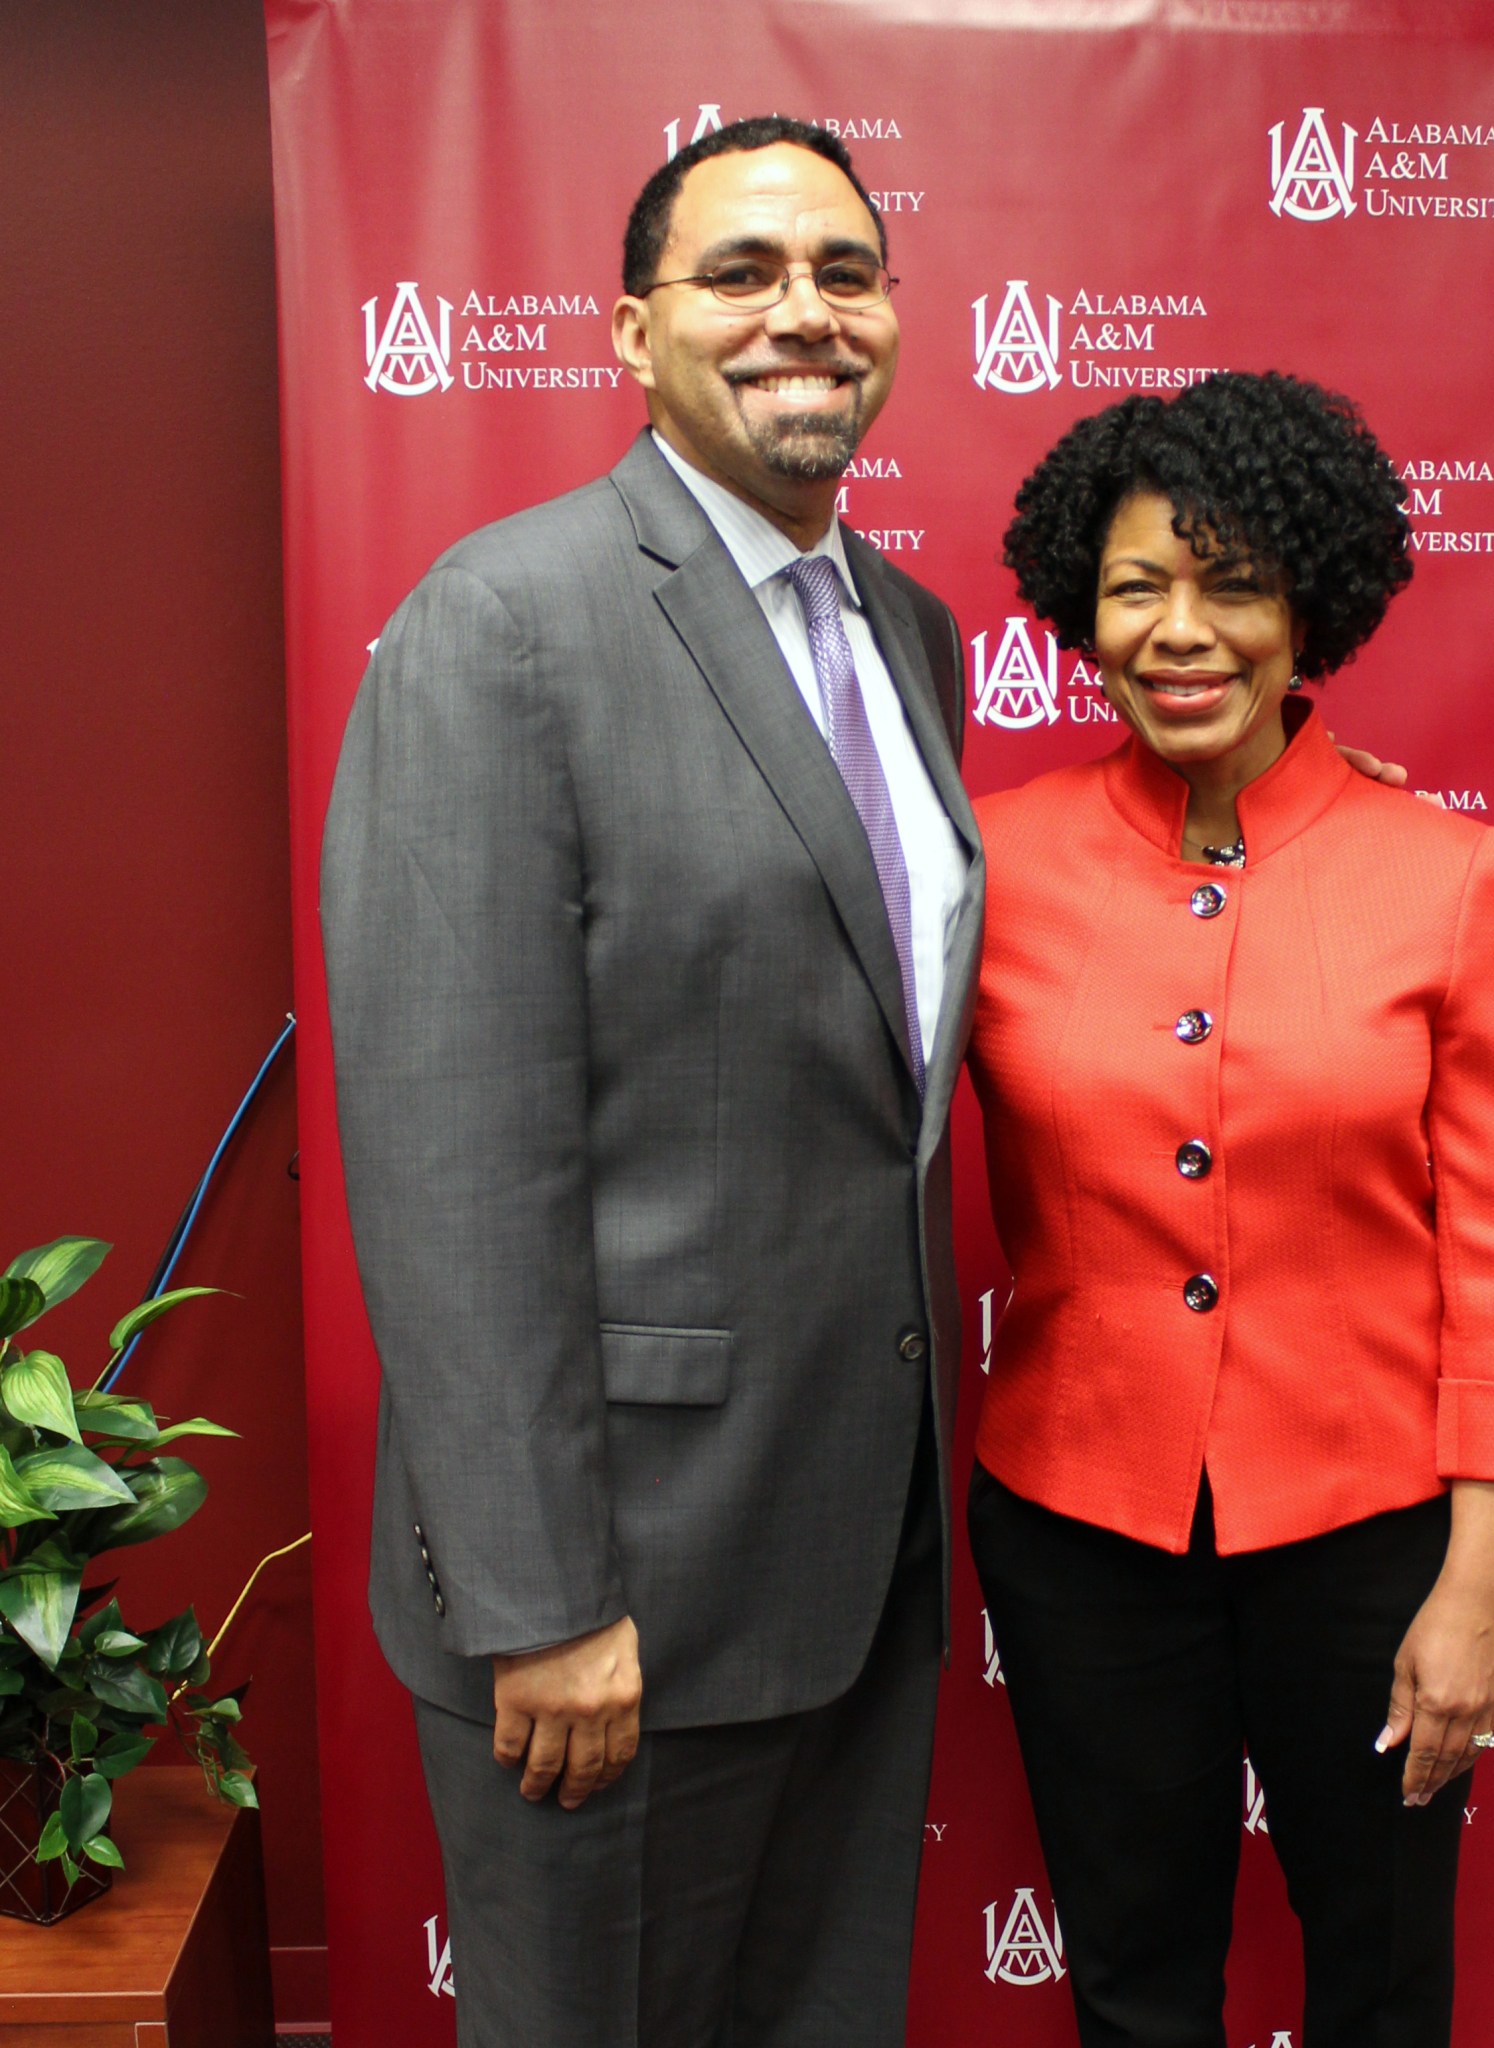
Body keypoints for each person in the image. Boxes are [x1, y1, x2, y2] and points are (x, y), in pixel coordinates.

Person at [320, 117, 981, 2047]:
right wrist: (536, 1601)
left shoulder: (911, 632)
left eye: (845, 274)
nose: (805, 315)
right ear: (632, 332)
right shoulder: (504, 624)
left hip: (852, 1561)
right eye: (743, 273)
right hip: (616, 1595)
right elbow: (454, 1156)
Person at [964, 373, 1494, 2048]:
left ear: (1308, 601)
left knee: (1381, 1978)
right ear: (1075, 613)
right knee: (1133, 1979)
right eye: (1135, 587)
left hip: (1371, 1531)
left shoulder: (1441, 871)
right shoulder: (988, 860)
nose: (1181, 631)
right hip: (1080, 1526)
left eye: (1230, 583)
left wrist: (1474, 1589)